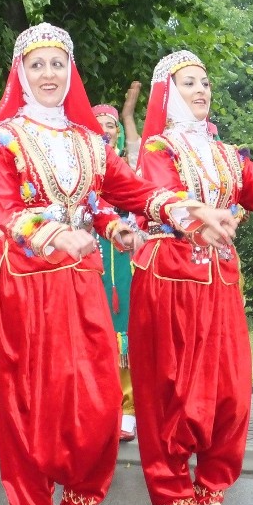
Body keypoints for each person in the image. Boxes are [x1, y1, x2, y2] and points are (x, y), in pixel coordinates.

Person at [0, 24, 237, 505]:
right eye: (37, 65)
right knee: (32, 405)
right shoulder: (3, 139)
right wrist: (53, 233)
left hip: (82, 281)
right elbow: (3, 207)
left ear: (70, 71)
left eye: (58, 64)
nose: (49, 74)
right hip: (27, 284)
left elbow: (128, 192)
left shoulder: (87, 141)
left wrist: (188, 213)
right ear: (21, 74)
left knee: (97, 402)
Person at [131, 50, 253, 505]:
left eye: (205, 82)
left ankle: (210, 497)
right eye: (189, 83)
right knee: (173, 394)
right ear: (169, 94)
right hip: (170, 280)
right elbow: (163, 195)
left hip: (220, 283)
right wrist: (199, 219)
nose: (201, 90)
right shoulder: (158, 149)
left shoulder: (229, 155)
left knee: (229, 394)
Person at [92, 101, 139, 441]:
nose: (105, 130)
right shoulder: (81, 167)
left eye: (111, 125)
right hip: (90, 253)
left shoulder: (130, 167)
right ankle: (100, 409)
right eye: (98, 124)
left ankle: (129, 412)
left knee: (126, 335)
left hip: (126, 256)